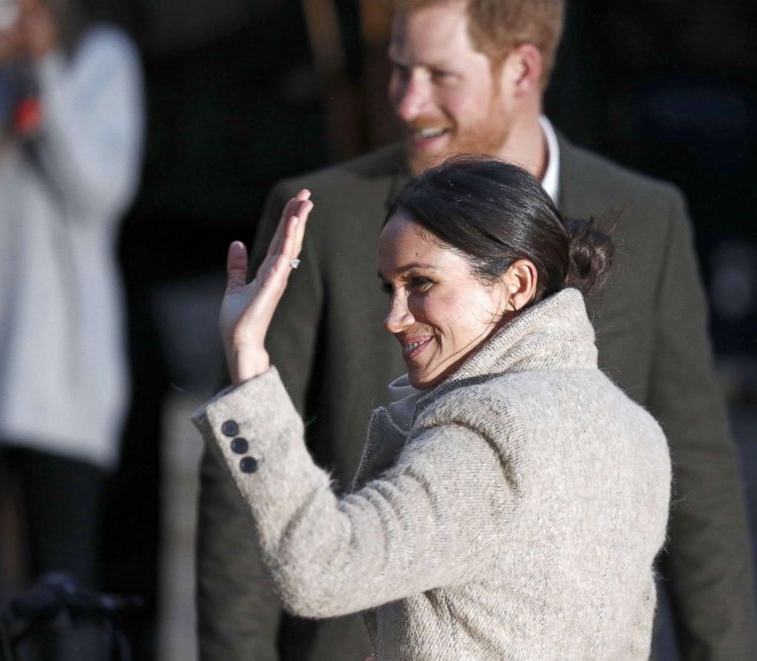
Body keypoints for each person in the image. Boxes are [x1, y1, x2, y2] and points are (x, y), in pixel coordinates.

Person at [197, 1, 757, 659]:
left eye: (439, 74)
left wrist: (246, 359)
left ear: (521, 69)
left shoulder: (647, 221)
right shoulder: (323, 214)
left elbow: (703, 479)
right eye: (398, 69)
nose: (408, 102)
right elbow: (238, 513)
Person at [195, 158, 672, 659]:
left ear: (517, 285)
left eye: (420, 283)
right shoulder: (638, 433)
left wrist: (248, 358)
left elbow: (319, 567)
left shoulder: (488, 432)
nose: (394, 318)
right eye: (389, 288)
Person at [0, 0, 142, 657]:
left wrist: (46, 68)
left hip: (61, 377)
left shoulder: (99, 59)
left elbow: (102, 187)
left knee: (62, 602)